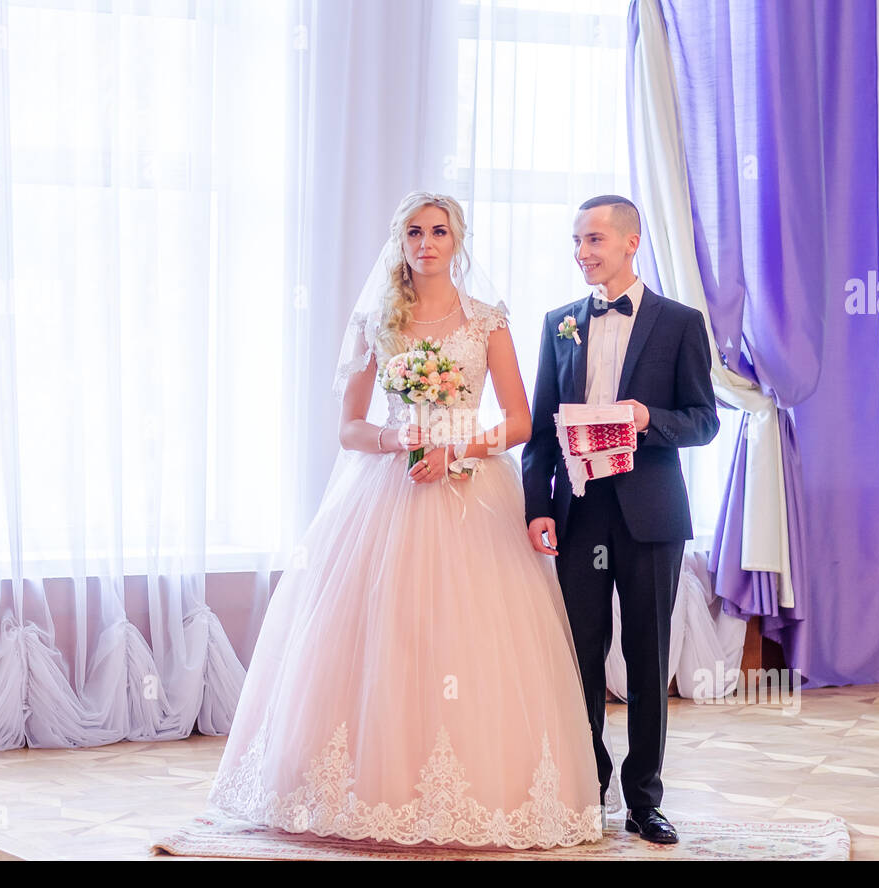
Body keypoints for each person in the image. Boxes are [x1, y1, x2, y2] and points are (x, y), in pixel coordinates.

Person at [206, 191, 602, 850]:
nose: (426, 242)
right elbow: (351, 428)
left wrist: (457, 447)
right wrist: (402, 442)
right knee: (384, 633)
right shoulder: (377, 325)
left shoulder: (488, 322)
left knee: (468, 637)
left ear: (457, 240)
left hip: (473, 491)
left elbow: (522, 420)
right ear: (400, 242)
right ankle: (369, 789)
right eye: (414, 231)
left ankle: (480, 791)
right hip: (386, 493)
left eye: (438, 230)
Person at [522, 195, 720, 844]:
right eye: (576, 240)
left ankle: (644, 798)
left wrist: (645, 419)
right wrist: (537, 508)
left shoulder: (681, 322)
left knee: (646, 656)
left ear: (632, 242)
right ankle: (587, 789)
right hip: (581, 516)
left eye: (595, 239)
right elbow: (540, 433)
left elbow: (704, 421)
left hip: (650, 517)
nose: (582, 251)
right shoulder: (558, 325)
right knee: (577, 658)